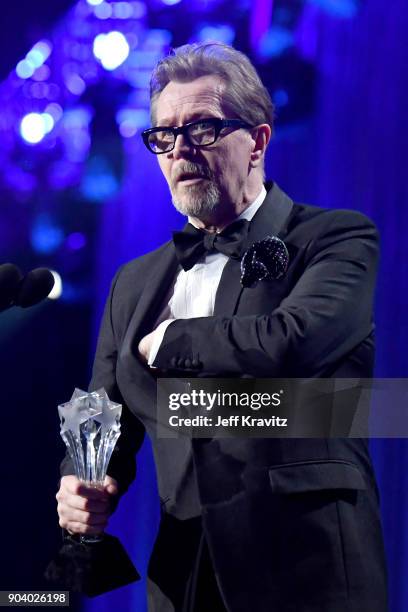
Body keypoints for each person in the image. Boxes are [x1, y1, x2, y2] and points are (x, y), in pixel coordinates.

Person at [56, 42, 388, 611]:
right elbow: (101, 409)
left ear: (257, 141)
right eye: (164, 135)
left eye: (203, 129)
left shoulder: (333, 238)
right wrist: (81, 477)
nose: (181, 148)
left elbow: (295, 344)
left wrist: (174, 342)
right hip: (182, 574)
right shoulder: (134, 282)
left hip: (308, 572)